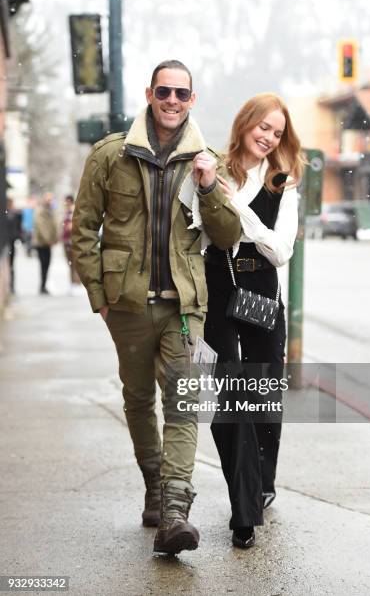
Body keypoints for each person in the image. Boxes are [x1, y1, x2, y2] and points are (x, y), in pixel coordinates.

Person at [72, 60, 241, 555]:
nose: (172, 101)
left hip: (185, 307)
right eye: (164, 91)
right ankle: (153, 484)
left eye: (182, 94)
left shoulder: (208, 161)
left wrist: (210, 188)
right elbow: (83, 229)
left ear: (193, 100)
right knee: (139, 397)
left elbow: (228, 236)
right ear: (150, 93)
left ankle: (173, 511)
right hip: (126, 303)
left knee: (183, 404)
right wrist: (99, 296)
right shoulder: (110, 155)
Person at [204, 93, 304, 549]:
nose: (268, 137)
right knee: (232, 396)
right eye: (263, 127)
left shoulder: (283, 184)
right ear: (245, 124)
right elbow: (200, 234)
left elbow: (280, 251)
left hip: (261, 291)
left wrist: (240, 211)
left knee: (263, 397)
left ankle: (262, 483)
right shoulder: (214, 170)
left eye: (278, 132)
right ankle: (242, 505)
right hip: (220, 290)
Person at [32, 192, 58, 294]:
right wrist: (49, 240)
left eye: (50, 199)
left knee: (47, 264)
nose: (49, 201)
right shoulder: (40, 211)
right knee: (43, 264)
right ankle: (42, 286)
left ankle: (43, 285)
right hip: (41, 243)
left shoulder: (51, 211)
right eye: (48, 199)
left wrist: (55, 238)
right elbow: (41, 227)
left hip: (48, 243)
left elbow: (54, 225)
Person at [62, 195, 82, 294]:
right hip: (67, 241)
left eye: (67, 202)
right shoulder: (67, 212)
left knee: (74, 264)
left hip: (72, 241)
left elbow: (73, 226)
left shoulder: (73, 211)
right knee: (70, 264)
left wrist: (70, 226)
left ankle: (76, 284)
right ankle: (72, 284)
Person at [6, 196, 22, 294]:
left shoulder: (15, 214)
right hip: (8, 241)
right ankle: (10, 286)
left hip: (11, 242)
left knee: (11, 265)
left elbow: (18, 228)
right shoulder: (8, 214)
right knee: (11, 265)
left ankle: (11, 286)